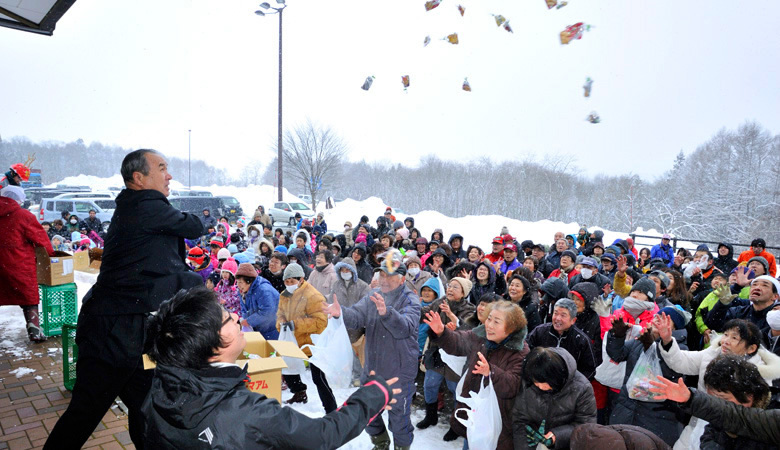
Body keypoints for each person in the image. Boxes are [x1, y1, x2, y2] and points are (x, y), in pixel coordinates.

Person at [45, 149, 206, 449]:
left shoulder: (135, 207)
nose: (169, 174)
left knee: (147, 410)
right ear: (139, 178)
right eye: (161, 167)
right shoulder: (146, 206)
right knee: (86, 412)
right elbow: (194, 225)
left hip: (133, 329)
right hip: (112, 331)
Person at [141, 286, 400, 448]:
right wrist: (372, 395)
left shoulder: (160, 383)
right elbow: (323, 436)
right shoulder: (245, 411)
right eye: (227, 319)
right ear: (210, 343)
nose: (237, 317)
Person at [324, 261, 420, 450]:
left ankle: (402, 447)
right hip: (373, 368)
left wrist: (387, 313)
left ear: (401, 279)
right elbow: (356, 316)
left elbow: (406, 328)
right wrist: (340, 313)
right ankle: (381, 443)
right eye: (381, 275)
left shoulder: (410, 300)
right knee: (368, 414)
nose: (383, 280)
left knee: (399, 421)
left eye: (389, 275)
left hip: (399, 372)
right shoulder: (372, 296)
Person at [656, 316, 780, 449]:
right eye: (725, 335)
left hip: (730, 433)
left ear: (751, 348)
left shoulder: (759, 373)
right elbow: (682, 361)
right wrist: (667, 340)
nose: (726, 341)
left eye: (734, 338)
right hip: (698, 423)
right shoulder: (712, 354)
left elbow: (752, 416)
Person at [425, 300, 529, 450]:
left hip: (497, 419)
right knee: (470, 441)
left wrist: (491, 372)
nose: (489, 325)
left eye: (497, 322)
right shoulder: (481, 336)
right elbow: (459, 341)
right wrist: (442, 332)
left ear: (511, 328)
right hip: (473, 413)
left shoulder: (520, 351)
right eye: (489, 318)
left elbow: (514, 385)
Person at [604, 313, 686, 446]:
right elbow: (617, 354)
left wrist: (651, 349)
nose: (656, 321)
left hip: (656, 417)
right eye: (655, 317)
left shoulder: (680, 349)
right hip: (626, 409)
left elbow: (669, 375)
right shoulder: (641, 340)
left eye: (663, 320)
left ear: (674, 328)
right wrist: (617, 336)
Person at [649, 366, 780, 448]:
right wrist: (690, 399)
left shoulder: (766, 427)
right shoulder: (716, 424)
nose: (717, 403)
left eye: (723, 399)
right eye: (712, 398)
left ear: (749, 397)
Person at [417, 277, 478, 438]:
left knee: (455, 389)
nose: (450, 289)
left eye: (455, 287)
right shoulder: (440, 302)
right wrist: (414, 308)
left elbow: (470, 329)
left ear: (464, 292)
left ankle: (456, 425)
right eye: (449, 286)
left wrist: (452, 317)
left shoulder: (469, 308)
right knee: (430, 385)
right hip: (436, 352)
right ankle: (431, 416)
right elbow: (425, 313)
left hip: (455, 356)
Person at [275, 263, 337, 412]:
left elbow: (321, 322)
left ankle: (331, 408)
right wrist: (281, 323)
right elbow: (280, 314)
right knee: (288, 368)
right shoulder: (285, 294)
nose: (289, 285)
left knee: (318, 378)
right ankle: (299, 392)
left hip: (312, 342)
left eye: (292, 281)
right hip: (293, 339)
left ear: (301, 279)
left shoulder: (313, 295)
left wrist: (296, 324)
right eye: (286, 281)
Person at [513, 347, 597, 449]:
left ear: (555, 377)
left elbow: (586, 425)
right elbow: (520, 420)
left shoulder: (581, 388)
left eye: (542, 382)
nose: (539, 386)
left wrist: (558, 436)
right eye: (535, 382)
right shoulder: (529, 382)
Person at [0, 185, 54, 342]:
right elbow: (41, 239)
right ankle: (34, 329)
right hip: (18, 264)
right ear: (18, 199)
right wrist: (51, 254)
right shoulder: (24, 216)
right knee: (28, 296)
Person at [526, 299, 598, 380]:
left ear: (573, 320)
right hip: (540, 381)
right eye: (555, 313)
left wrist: (572, 385)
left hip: (568, 387)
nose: (557, 318)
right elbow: (526, 354)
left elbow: (590, 369)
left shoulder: (582, 340)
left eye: (563, 315)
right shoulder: (539, 331)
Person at [331, 257, 371, 380]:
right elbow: (332, 301)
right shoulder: (336, 285)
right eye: (342, 269)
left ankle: (358, 376)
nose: (345, 272)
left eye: (347, 270)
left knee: (357, 353)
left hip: (357, 326)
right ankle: (344, 375)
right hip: (340, 324)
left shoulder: (362, 286)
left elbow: (366, 305)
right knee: (342, 352)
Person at [705, 275, 780, 334]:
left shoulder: (776, 317)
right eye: (754, 284)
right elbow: (714, 325)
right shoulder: (738, 311)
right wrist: (722, 304)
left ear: (775, 296)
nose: (757, 288)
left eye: (765, 285)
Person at [235, 262, 279, 340]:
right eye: (237, 282)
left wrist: (249, 321)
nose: (238, 286)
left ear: (248, 281)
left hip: (271, 330)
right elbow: (244, 309)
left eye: (240, 282)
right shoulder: (242, 291)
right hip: (256, 329)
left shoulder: (264, 290)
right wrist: (245, 320)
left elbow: (267, 312)